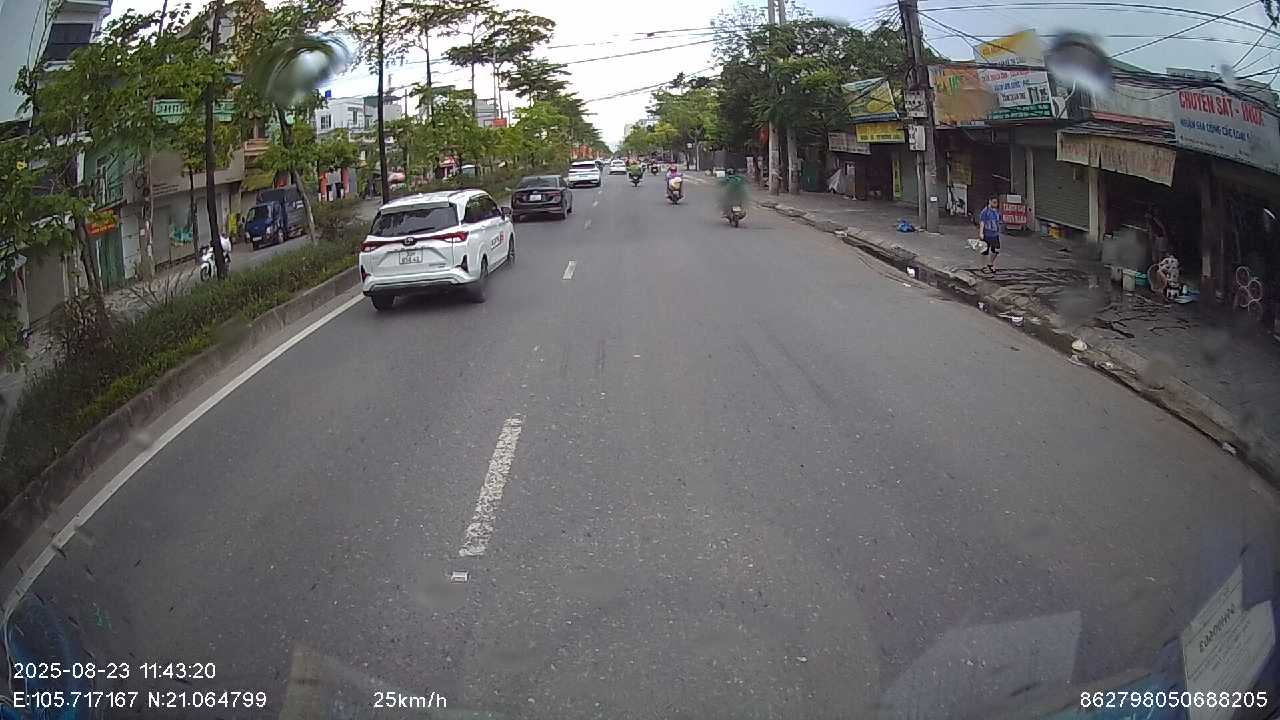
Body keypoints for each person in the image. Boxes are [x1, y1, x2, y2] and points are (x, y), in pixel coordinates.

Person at [976, 196, 1002, 273]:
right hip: (987, 233)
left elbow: (998, 221)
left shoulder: (997, 211)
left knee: (996, 249)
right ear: (990, 202)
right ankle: (983, 266)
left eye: (996, 203)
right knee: (985, 250)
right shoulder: (985, 211)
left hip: (995, 234)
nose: (995, 204)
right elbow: (982, 222)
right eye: (994, 202)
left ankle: (990, 263)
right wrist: (981, 233)